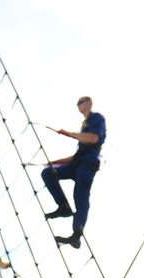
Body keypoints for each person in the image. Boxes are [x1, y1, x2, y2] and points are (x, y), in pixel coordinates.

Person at [41, 96, 106, 249]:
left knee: (80, 197)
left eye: (81, 102)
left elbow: (93, 138)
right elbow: (77, 156)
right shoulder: (85, 125)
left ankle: (76, 236)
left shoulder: (96, 118)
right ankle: (63, 206)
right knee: (48, 173)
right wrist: (54, 162)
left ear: (89, 103)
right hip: (78, 163)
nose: (78, 105)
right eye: (78, 103)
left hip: (87, 165)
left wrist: (69, 134)